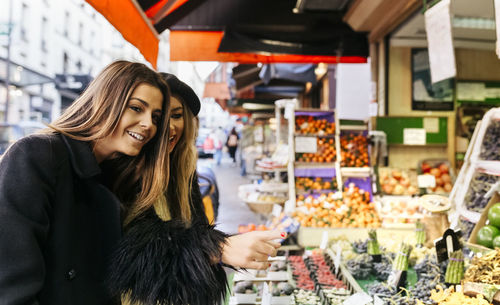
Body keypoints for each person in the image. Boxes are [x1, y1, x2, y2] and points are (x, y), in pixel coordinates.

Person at [0, 60, 171, 305]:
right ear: (104, 101)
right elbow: (11, 286)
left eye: (155, 117)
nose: (149, 125)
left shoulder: (117, 176)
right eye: (136, 108)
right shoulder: (38, 155)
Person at [108, 73, 285, 305]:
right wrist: (217, 247)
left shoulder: (182, 173)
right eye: (161, 116)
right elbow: (135, 250)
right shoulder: (124, 169)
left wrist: (216, 249)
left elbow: (189, 233)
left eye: (178, 115)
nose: (169, 126)